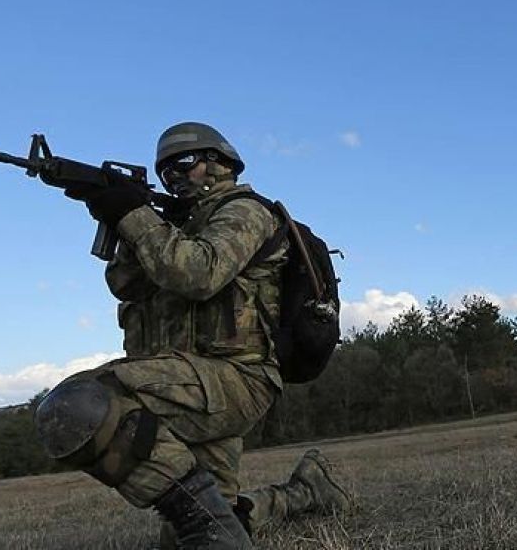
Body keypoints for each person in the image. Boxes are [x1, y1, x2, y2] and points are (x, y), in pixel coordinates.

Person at [32, 122, 349, 549]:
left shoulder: (246, 211)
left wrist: (133, 213)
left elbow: (198, 273)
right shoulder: (174, 227)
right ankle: (307, 491)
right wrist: (121, 214)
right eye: (164, 171)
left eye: (184, 162)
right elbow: (126, 284)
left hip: (236, 379)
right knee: (193, 531)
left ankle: (213, 530)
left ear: (219, 163)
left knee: (78, 404)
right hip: (190, 380)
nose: (174, 176)